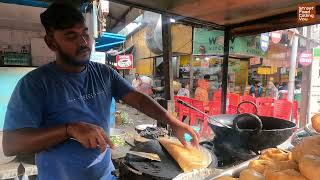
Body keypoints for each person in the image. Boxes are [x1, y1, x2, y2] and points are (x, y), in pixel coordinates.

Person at [2, 4, 199, 180]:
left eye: (85, 34)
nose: (83, 42)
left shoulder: (104, 73)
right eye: (71, 36)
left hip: (105, 174)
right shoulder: (35, 84)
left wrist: (174, 123)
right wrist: (69, 129)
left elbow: (138, 100)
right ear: (51, 43)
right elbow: (11, 145)